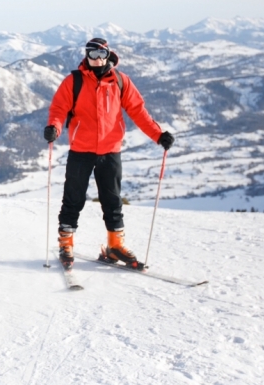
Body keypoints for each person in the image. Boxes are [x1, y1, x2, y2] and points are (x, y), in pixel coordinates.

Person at [43, 38, 174, 270]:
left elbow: (138, 111)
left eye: (101, 53)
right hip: (81, 150)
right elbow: (59, 108)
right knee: (73, 198)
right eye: (92, 54)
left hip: (110, 150)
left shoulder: (120, 81)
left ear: (108, 54)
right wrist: (54, 126)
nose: (97, 58)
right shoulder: (74, 81)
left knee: (112, 200)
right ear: (86, 56)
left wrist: (158, 135)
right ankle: (66, 243)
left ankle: (115, 245)